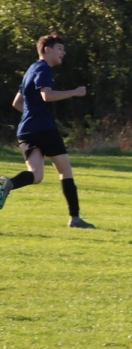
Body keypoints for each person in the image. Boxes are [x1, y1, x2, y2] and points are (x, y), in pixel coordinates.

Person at [0, 33, 93, 228]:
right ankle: (75, 218)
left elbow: (17, 103)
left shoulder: (30, 70)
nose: (63, 53)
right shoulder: (44, 69)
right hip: (44, 128)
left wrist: (31, 112)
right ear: (47, 49)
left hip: (26, 130)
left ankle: (8, 183)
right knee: (65, 172)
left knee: (36, 175)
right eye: (60, 48)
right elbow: (46, 96)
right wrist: (75, 92)